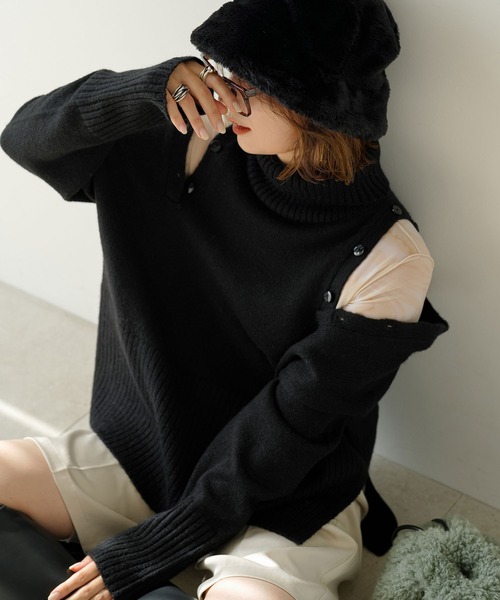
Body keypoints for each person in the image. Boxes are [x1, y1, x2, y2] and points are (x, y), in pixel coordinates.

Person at [0, 0, 448, 599]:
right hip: (140, 452)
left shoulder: (389, 257)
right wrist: (142, 91)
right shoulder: (184, 138)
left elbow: (290, 433)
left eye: (252, 84)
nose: (227, 97)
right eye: (221, 70)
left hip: (282, 496)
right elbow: (25, 138)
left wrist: (155, 548)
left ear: (318, 103)